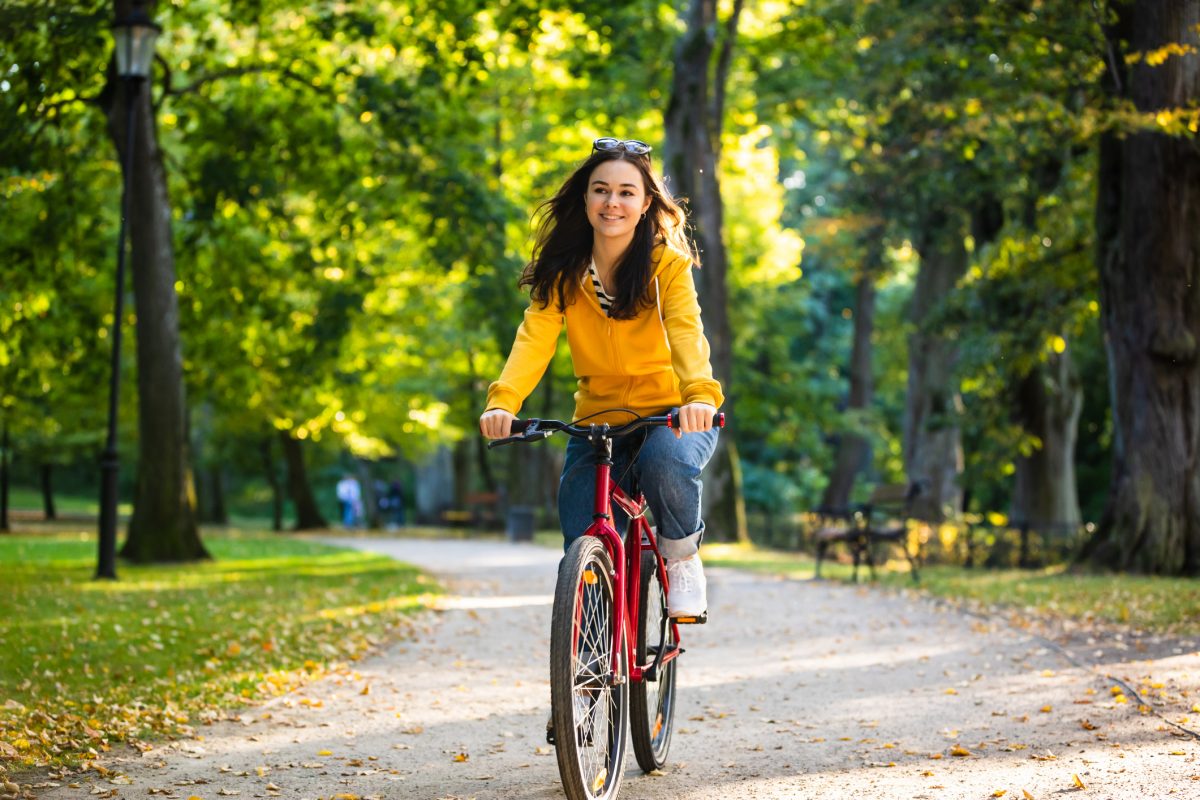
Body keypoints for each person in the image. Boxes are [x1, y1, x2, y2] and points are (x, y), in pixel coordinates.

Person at [478, 136, 723, 618]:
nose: (613, 202)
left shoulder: (667, 267)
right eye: (601, 190)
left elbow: (686, 332)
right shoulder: (563, 273)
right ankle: (589, 644)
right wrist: (503, 402)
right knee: (581, 526)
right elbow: (534, 339)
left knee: (664, 463)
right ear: (585, 198)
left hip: (672, 415)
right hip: (598, 419)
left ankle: (680, 557)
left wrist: (697, 395)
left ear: (646, 201)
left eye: (627, 192)